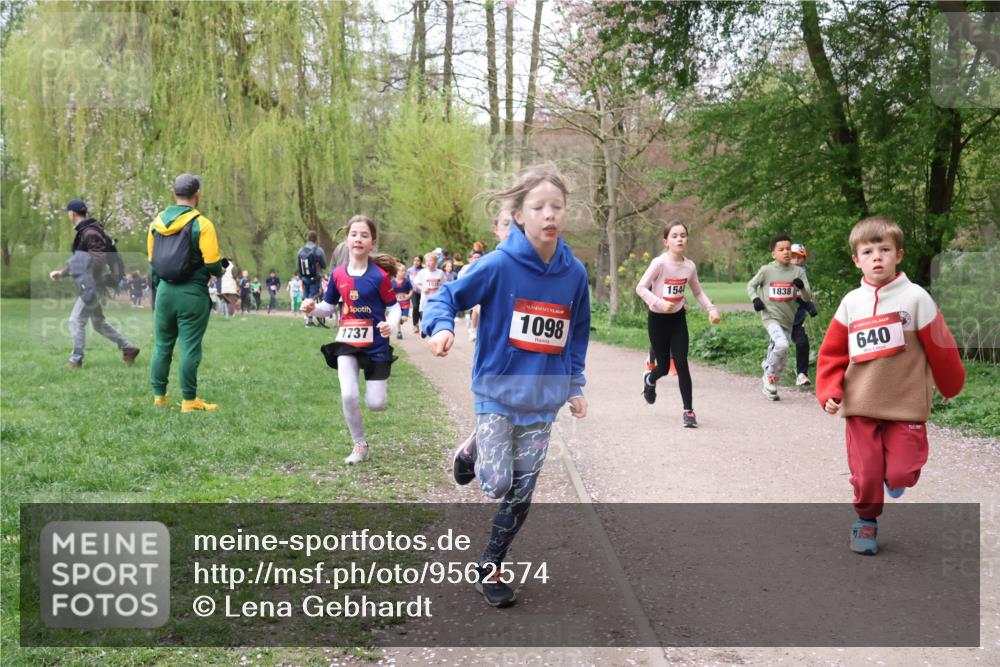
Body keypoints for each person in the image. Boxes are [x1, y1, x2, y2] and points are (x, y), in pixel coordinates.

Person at [423, 165, 590, 608]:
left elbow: (577, 332)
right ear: (518, 215)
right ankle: (474, 448)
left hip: (543, 399)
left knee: (522, 491)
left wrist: (574, 384)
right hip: (496, 393)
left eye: (557, 207)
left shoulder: (574, 274)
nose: (549, 215)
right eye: (538, 207)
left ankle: (490, 567)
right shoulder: (497, 265)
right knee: (497, 483)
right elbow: (446, 297)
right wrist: (441, 327)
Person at [816, 216, 964, 555]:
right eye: (868, 251)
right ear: (856, 259)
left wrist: (949, 384)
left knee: (900, 475)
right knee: (867, 474)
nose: (877, 257)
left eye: (885, 249)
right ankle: (865, 523)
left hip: (905, 403)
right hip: (861, 403)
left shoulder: (916, 298)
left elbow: (942, 347)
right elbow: (832, 354)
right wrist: (829, 391)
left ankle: (893, 480)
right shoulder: (851, 303)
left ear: (899, 254)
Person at [301, 215, 401, 465]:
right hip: (346, 341)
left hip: (376, 344)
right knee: (348, 395)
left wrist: (392, 324)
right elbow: (328, 307)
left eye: (364, 235)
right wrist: (311, 309)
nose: (358, 239)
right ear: (347, 240)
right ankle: (359, 444)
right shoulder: (337, 275)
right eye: (354, 234)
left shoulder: (379, 277)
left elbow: (395, 307)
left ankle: (366, 424)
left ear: (372, 243)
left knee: (376, 404)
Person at [148, 173, 225, 412]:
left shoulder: (156, 224)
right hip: (192, 293)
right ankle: (189, 402)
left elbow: (152, 261)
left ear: (175, 193)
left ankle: (159, 397)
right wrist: (220, 269)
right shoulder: (202, 224)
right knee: (190, 347)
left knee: (162, 346)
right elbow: (213, 263)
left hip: (164, 292)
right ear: (197, 194)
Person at [636, 222, 721, 428]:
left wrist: (711, 309)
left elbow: (697, 292)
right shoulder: (659, 263)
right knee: (663, 367)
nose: (680, 239)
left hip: (677, 319)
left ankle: (688, 411)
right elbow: (640, 287)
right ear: (666, 242)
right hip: (657, 320)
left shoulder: (689, 266)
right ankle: (650, 379)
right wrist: (659, 303)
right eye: (674, 236)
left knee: (681, 363)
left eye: (683, 235)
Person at [48, 199, 140, 369]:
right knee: (98, 323)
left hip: (92, 285)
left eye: (68, 212)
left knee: (75, 321)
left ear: (72, 213)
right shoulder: (87, 232)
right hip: (93, 284)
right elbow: (80, 259)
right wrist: (62, 272)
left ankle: (76, 360)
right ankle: (129, 348)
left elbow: (97, 260)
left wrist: (92, 283)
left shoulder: (90, 232)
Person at [746, 234, 812, 401]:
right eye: (781, 249)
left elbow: (807, 297)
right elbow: (751, 285)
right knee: (781, 344)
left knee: (783, 352)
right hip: (770, 317)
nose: (786, 252)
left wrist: (802, 288)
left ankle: (771, 382)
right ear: (773, 254)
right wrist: (756, 299)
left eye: (788, 249)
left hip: (788, 319)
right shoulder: (767, 270)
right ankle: (768, 372)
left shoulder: (798, 272)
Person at [789, 243, 819, 386]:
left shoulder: (803, 274)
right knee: (779, 347)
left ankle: (802, 374)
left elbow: (805, 293)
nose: (796, 261)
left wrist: (809, 305)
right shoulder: (780, 273)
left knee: (802, 344)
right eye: (793, 257)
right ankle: (770, 371)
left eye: (800, 258)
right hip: (780, 318)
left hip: (797, 319)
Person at [298, 230, 328, 327]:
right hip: (315, 278)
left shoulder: (300, 250)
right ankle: (311, 321)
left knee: (307, 297)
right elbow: (324, 265)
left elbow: (298, 266)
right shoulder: (318, 250)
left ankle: (308, 320)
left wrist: (301, 277)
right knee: (312, 297)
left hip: (304, 278)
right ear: (316, 238)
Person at [414, 252, 445, 339]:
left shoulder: (440, 273)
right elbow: (417, 282)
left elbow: (444, 284)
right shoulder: (422, 272)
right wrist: (422, 288)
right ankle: (424, 328)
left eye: (430, 261)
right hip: (425, 299)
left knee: (434, 315)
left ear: (436, 262)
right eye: (427, 261)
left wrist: (441, 293)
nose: (428, 263)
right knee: (424, 314)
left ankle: (432, 330)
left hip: (436, 299)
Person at [390, 264, 413, 340]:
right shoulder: (392, 282)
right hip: (396, 304)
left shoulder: (407, 281)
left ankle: (401, 320)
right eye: (402, 271)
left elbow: (411, 290)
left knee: (405, 318)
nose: (404, 272)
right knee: (398, 317)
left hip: (405, 303)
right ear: (397, 272)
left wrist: (409, 295)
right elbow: (389, 291)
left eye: (405, 270)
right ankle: (399, 332)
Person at [406, 255, 423, 334]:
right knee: (415, 307)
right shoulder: (409, 270)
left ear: (421, 262)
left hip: (423, 292)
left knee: (422, 308)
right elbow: (407, 281)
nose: (416, 262)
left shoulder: (423, 271)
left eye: (418, 260)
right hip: (414, 291)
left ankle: (423, 325)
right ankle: (415, 325)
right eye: (415, 260)